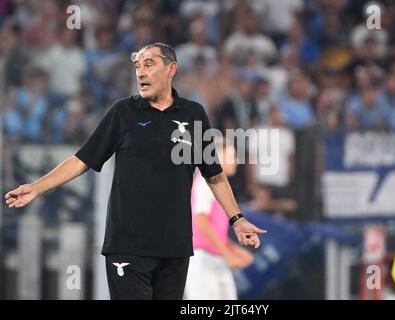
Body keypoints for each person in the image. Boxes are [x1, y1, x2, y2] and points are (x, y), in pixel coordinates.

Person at [4, 42, 267, 300]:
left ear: (170, 68)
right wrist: (37, 187)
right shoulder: (123, 112)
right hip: (127, 246)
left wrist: (237, 219)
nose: (140, 72)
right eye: (138, 66)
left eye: (149, 64)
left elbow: (215, 175)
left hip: (174, 247)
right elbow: (81, 160)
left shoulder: (193, 114)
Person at [184, 138, 253, 300]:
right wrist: (228, 254)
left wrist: (234, 250)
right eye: (231, 156)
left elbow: (215, 229)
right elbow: (201, 221)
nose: (236, 161)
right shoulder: (205, 182)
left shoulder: (219, 186)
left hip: (215, 257)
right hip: (202, 258)